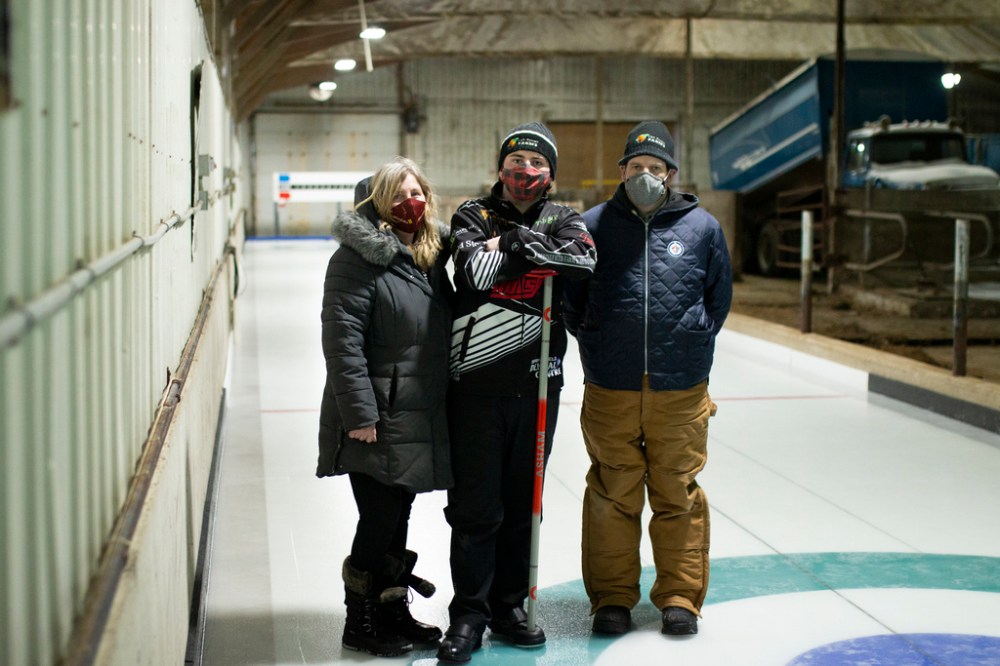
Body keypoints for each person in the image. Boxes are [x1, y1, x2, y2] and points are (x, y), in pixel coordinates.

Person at [563, 121, 733, 638]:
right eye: (636, 168)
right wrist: (595, 337)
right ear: (621, 171)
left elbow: (718, 298)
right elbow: (573, 300)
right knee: (613, 493)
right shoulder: (591, 225)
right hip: (610, 384)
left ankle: (680, 597)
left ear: (671, 174)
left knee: (677, 492)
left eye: (654, 169)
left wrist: (695, 335)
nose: (645, 176)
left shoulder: (702, 229)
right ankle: (612, 599)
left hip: (680, 387)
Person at [436, 122, 597, 663]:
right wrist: (529, 249)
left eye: (536, 164)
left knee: (522, 504)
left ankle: (509, 606)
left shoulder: (565, 218)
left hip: (537, 386)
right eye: (516, 162)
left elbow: (583, 261)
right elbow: (476, 272)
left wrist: (511, 243)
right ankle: (469, 613)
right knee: (476, 506)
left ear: (551, 173)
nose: (525, 172)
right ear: (499, 168)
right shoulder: (471, 215)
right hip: (476, 383)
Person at [316, 156, 454, 658]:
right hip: (377, 413)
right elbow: (342, 342)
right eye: (396, 194)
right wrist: (360, 416)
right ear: (374, 202)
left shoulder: (428, 255)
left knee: (399, 517)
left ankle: (393, 608)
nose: (408, 203)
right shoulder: (355, 259)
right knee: (378, 520)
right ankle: (362, 619)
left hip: (416, 412)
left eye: (415, 193)